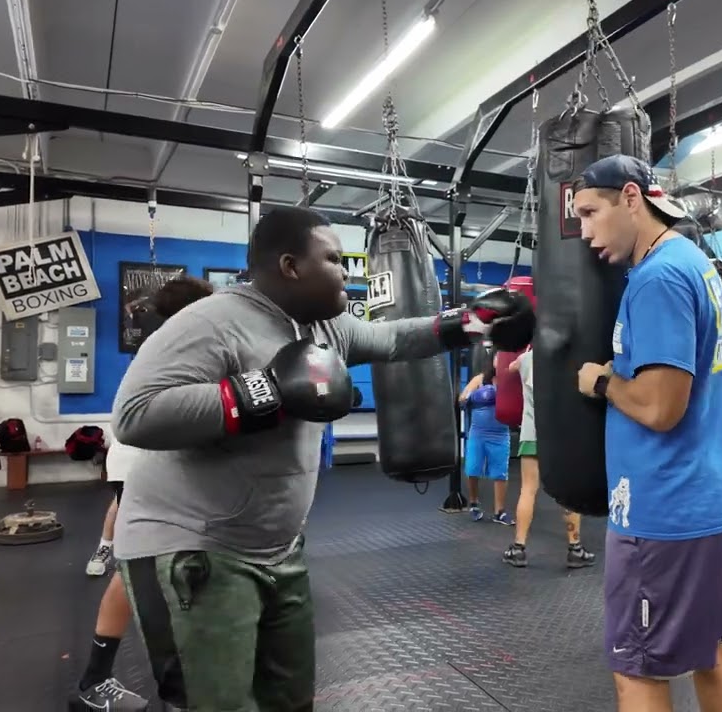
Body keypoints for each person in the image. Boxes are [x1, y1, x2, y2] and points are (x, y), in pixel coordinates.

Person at [109, 205, 534, 712]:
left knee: (291, 701)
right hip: (192, 549)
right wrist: (260, 391)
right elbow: (134, 415)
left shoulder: (325, 326)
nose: (347, 270)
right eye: (333, 259)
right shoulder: (212, 322)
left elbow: (394, 337)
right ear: (291, 266)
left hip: (277, 549)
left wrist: (471, 322)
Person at [570, 154, 722, 712]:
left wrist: (601, 382)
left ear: (630, 197)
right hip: (705, 499)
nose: (583, 231)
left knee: (638, 670)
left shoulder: (660, 278)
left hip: (664, 512)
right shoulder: (693, 261)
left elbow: (659, 407)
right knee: (707, 653)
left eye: (590, 212)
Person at [72, 275, 214, 712]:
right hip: (144, 465)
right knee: (141, 572)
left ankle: (103, 681)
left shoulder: (171, 345)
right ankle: (97, 684)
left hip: (145, 464)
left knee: (148, 569)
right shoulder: (181, 349)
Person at [503, 346, 595, 568]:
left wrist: (523, 354)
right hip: (561, 436)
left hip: (532, 434)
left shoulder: (526, 358)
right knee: (569, 491)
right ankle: (575, 549)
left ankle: (518, 548)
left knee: (528, 489)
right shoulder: (571, 359)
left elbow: (509, 367)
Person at [457, 360, 515, 524]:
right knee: (473, 469)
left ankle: (499, 512)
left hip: (500, 434)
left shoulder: (511, 382)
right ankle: (474, 503)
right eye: (498, 358)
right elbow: (463, 397)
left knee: (500, 473)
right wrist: (470, 396)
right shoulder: (480, 379)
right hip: (478, 433)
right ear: (494, 361)